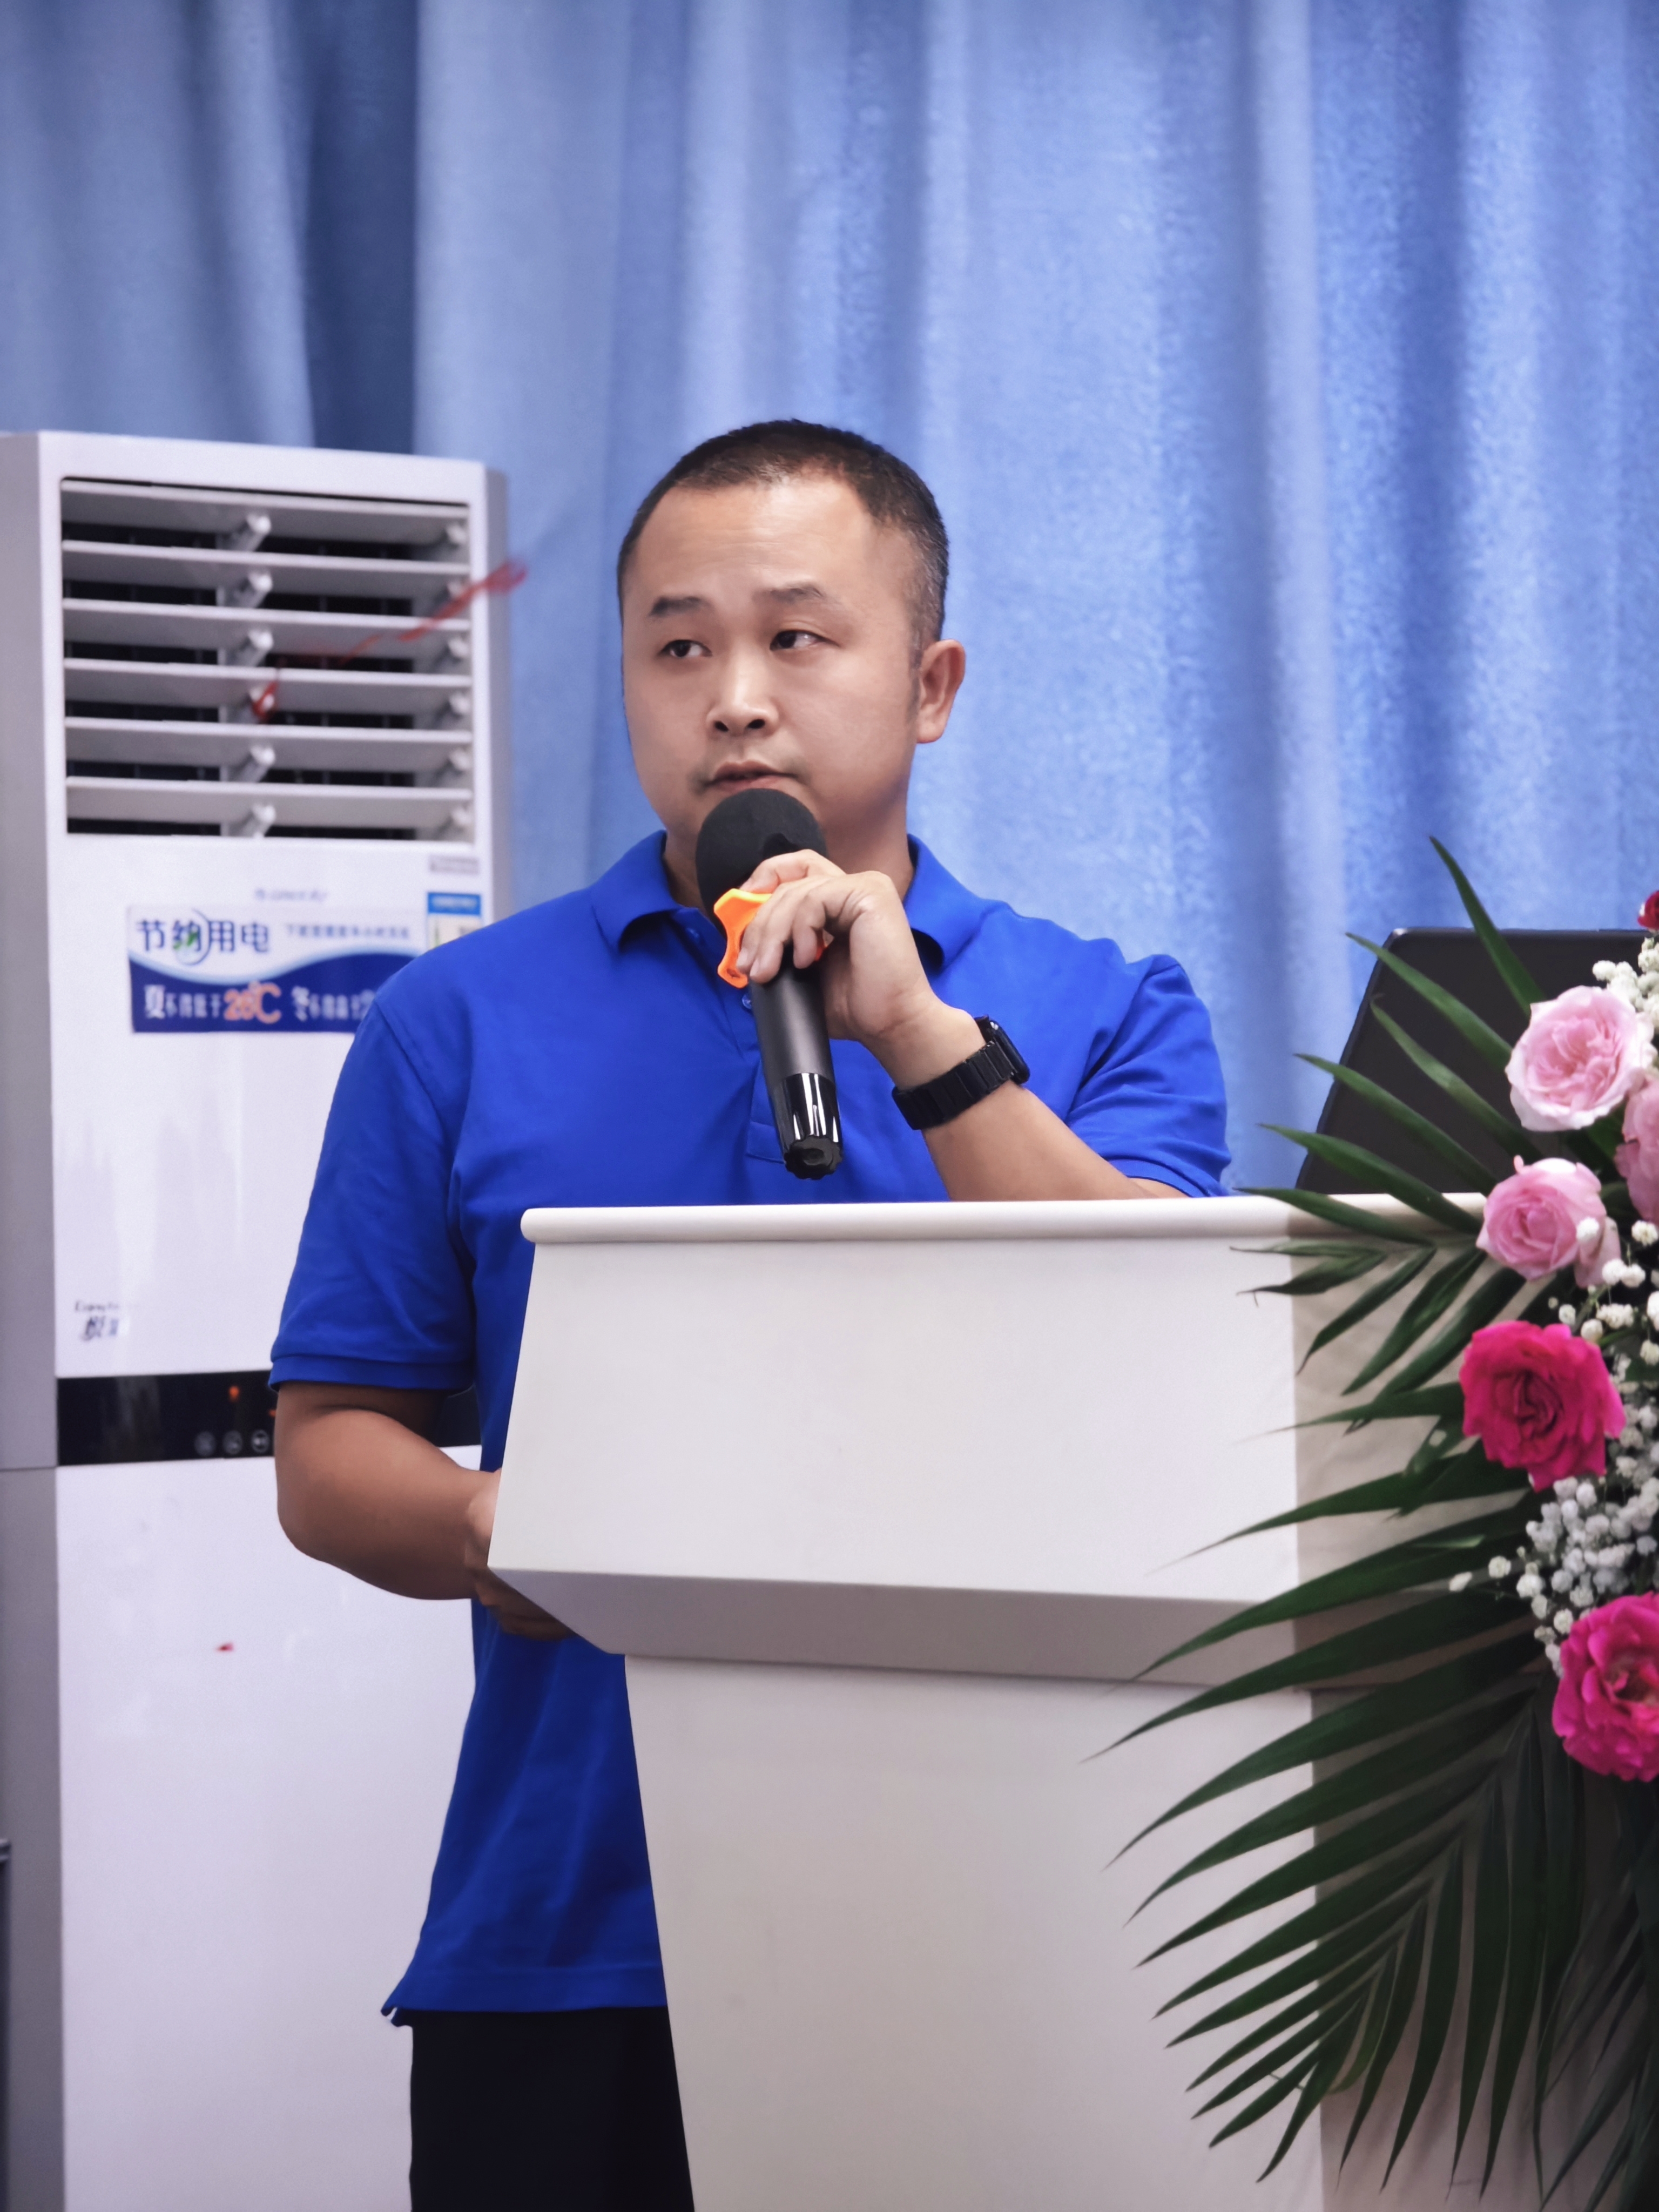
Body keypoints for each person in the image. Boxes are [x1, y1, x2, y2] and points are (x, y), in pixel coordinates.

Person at [271, 420, 1229, 2210]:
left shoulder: (1109, 1007)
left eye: (796, 637)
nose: (733, 701)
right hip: (573, 1938)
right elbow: (329, 1454)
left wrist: (916, 1039)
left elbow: (1167, 1362)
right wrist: (524, 1533)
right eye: (677, 645)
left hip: (1033, 1923)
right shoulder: (452, 1020)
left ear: (929, 685)